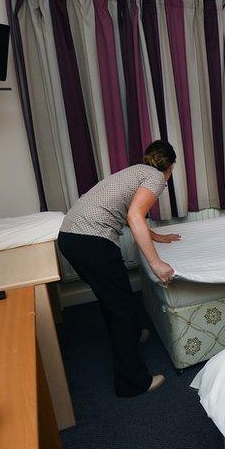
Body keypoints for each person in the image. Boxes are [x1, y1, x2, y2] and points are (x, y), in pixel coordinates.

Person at [58, 140, 181, 398]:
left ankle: (134, 335)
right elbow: (134, 216)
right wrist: (156, 263)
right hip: (91, 241)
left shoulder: (136, 171)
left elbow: (130, 211)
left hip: (71, 238)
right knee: (122, 309)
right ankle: (132, 383)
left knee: (114, 299)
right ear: (170, 166)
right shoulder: (157, 177)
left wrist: (156, 237)